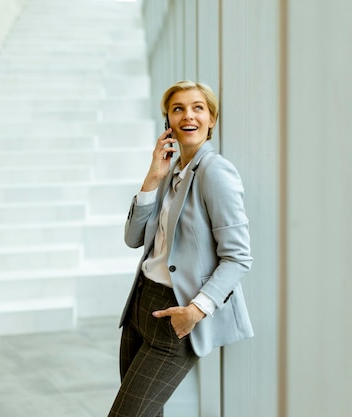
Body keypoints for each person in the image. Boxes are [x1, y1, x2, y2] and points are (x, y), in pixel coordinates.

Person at [107, 80, 253, 417]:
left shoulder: (215, 172)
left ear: (212, 119)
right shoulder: (173, 171)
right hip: (140, 307)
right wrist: (152, 178)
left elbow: (238, 255)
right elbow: (133, 238)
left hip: (176, 314)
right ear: (168, 122)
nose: (188, 115)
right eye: (178, 109)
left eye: (198, 107)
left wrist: (197, 309)